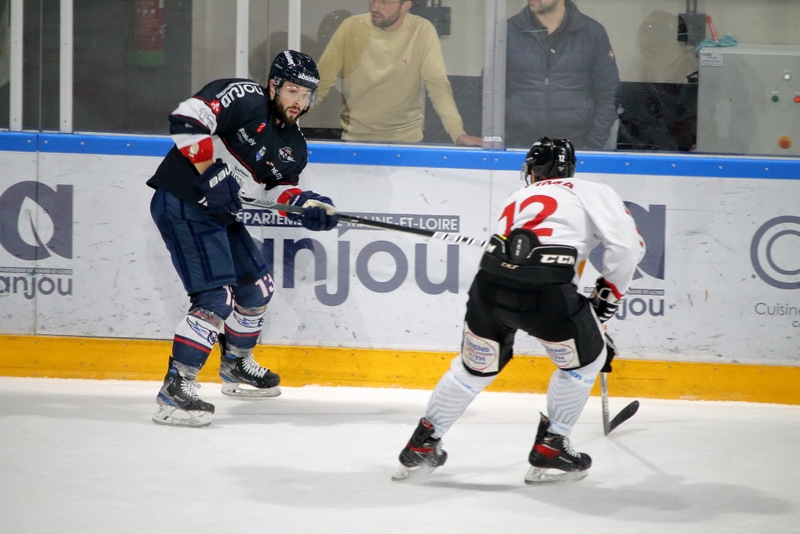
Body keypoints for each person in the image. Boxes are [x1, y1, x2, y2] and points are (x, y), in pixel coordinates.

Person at [395, 137, 644, 483]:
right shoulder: (593, 190)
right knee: (586, 361)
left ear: (534, 170)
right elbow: (628, 249)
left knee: (472, 369)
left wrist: (593, 316)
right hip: (547, 292)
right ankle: (552, 445)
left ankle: (422, 444)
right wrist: (604, 303)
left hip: (489, 286)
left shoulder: (517, 197)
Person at [146, 50, 340, 427]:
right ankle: (176, 387)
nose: (299, 102)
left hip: (220, 214)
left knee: (257, 289)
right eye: (293, 91)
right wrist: (209, 173)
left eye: (307, 95)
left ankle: (235, 364)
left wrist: (308, 205)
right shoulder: (245, 97)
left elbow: (275, 190)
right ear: (274, 85)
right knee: (215, 299)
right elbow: (186, 119)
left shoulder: (295, 145)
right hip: (183, 201)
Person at [312, 0, 482, 146]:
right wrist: (289, 119)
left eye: (385, 2)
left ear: (406, 5)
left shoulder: (421, 30)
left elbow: (438, 86)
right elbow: (323, 79)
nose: (376, 7)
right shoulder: (352, 27)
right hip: (355, 139)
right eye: (374, 0)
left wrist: (458, 133)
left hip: (406, 141)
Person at [505, 0, 620, 149]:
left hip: (577, 146)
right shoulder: (508, 30)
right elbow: (489, 90)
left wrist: (591, 146)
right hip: (517, 146)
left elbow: (609, 94)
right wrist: (505, 139)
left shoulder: (591, 32)